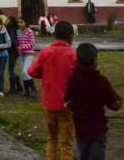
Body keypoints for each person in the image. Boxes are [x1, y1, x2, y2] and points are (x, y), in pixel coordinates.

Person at [29, 21, 77, 160]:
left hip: (48, 103)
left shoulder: (46, 52)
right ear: (71, 35)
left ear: (54, 35)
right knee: (66, 143)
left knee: (51, 139)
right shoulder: (73, 55)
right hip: (67, 104)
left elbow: (32, 71)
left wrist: (45, 74)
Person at [65, 43, 122, 160]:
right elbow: (115, 104)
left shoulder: (73, 80)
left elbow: (67, 101)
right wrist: (118, 102)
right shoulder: (101, 81)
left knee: (84, 155)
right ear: (95, 61)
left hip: (81, 128)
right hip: (97, 129)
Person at [16, 17, 37, 97]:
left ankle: (33, 88)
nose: (20, 24)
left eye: (22, 22)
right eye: (19, 22)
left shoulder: (29, 31)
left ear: (25, 23)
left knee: (25, 71)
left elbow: (32, 43)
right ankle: (27, 91)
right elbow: (17, 42)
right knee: (24, 72)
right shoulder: (17, 32)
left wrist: (23, 47)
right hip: (21, 54)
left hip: (29, 54)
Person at [6, 17, 23, 94]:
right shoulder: (12, 28)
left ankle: (13, 88)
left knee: (10, 69)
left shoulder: (11, 29)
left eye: (7, 19)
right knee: (11, 69)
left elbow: (13, 40)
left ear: (10, 21)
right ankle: (18, 86)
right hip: (13, 51)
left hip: (12, 51)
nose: (6, 20)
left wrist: (11, 46)